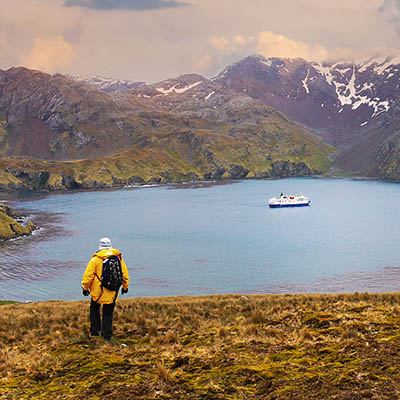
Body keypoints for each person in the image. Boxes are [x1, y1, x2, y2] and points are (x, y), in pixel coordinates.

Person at [82, 237, 130, 340]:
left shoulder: (96, 259)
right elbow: (124, 275)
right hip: (113, 291)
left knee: (94, 309)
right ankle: (107, 335)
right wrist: (125, 287)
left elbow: (88, 276)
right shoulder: (118, 258)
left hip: (98, 291)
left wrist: (85, 288)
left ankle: (95, 332)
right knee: (108, 312)